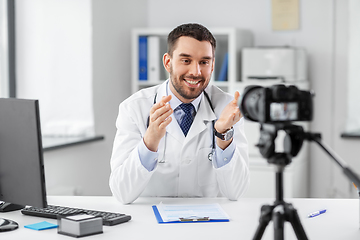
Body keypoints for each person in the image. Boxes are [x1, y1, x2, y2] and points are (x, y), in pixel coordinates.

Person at [109, 23, 249, 204]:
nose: (195, 72)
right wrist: (150, 141)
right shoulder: (134, 108)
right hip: (151, 224)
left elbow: (236, 192)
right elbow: (121, 192)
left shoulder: (228, 108)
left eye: (204, 62)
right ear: (168, 62)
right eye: (186, 60)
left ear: (212, 65)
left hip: (208, 224)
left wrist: (223, 135)